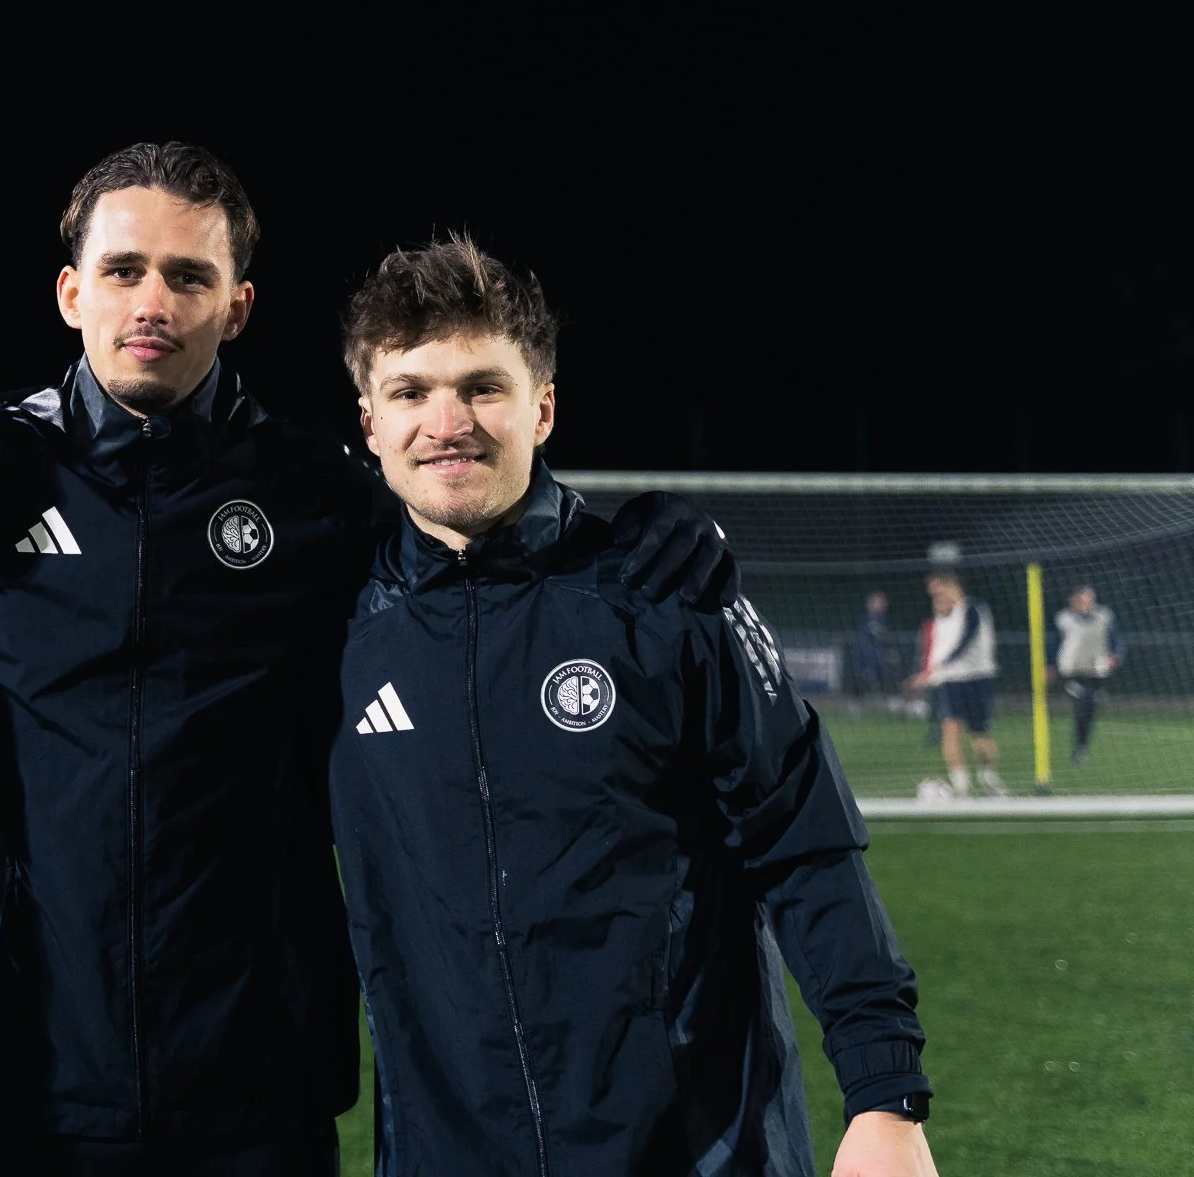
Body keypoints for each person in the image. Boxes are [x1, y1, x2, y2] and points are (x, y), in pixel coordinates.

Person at [0, 143, 735, 1176]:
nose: (153, 298)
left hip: (259, 1072)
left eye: (189, 275)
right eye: (124, 270)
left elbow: (472, 541)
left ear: (238, 305)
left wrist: (622, 533)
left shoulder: (321, 496)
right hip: (30, 1069)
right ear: (70, 291)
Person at [328, 236, 935, 1176]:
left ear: (545, 408)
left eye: (484, 387)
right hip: (449, 1150)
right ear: (369, 423)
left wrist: (885, 1094)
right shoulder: (330, 627)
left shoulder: (666, 595)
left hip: (694, 1146)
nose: (447, 421)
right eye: (411, 392)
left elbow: (803, 841)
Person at [903, 570, 1007, 797]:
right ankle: (962, 789)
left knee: (980, 735)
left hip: (977, 679)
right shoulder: (941, 617)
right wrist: (927, 674)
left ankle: (989, 778)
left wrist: (936, 668)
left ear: (953, 586)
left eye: (939, 590)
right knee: (950, 730)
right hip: (951, 682)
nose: (936, 597)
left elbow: (964, 642)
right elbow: (937, 651)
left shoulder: (973, 609)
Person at [1050, 584, 1124, 765]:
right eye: (1081, 599)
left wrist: (1117, 654)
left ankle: (1081, 747)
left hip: (1095, 672)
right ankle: (1080, 746)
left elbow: (1118, 640)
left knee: (1087, 712)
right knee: (1083, 703)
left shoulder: (1104, 617)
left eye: (1089, 598)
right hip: (1071, 672)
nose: (1085, 602)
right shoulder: (1063, 619)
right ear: (1073, 600)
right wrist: (1050, 664)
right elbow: (1052, 643)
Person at [853, 590, 902, 695]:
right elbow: (874, 634)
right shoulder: (865, 619)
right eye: (879, 602)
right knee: (866, 675)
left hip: (880, 654)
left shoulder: (884, 619)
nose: (883, 605)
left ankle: (885, 694)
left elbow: (884, 638)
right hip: (867, 654)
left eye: (883, 602)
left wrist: (890, 651)